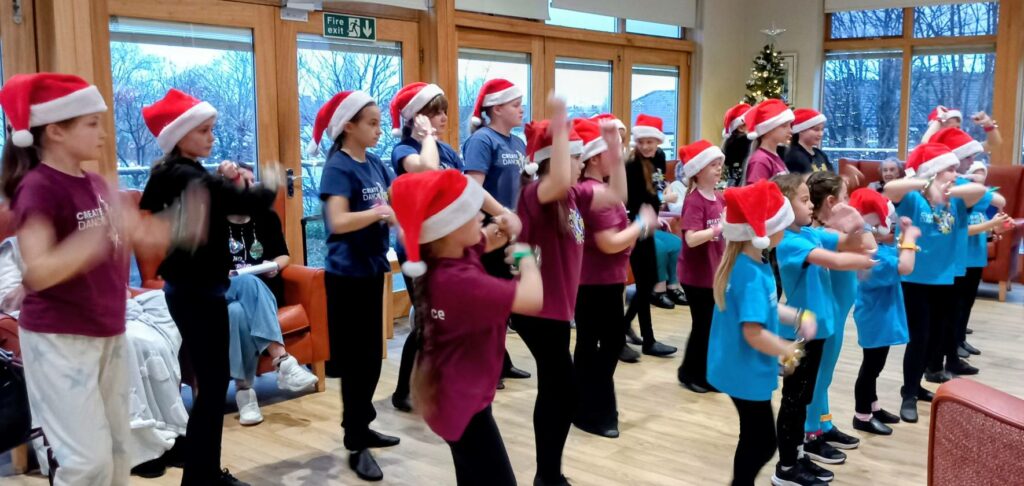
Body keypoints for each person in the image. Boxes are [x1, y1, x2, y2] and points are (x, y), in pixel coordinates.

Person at [0, 72, 158, 486]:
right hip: (59, 340)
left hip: (107, 331)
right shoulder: (37, 188)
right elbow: (39, 269)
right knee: (87, 464)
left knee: (121, 453)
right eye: (91, 123)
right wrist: (91, 241)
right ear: (55, 131)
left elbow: (128, 237)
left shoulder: (94, 184)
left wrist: (181, 225)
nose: (103, 134)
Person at [140, 87, 281, 486]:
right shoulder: (185, 175)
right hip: (198, 292)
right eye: (203, 130)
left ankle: (203, 474)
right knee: (213, 383)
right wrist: (267, 183)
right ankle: (202, 478)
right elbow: (245, 203)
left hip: (191, 289)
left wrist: (217, 178)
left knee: (212, 383)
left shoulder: (174, 173)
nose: (211, 137)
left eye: (211, 130)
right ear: (180, 136)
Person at [390, 169, 539, 486]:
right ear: (451, 227)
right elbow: (532, 298)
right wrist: (526, 254)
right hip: (463, 406)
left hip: (451, 398)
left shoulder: (443, 257)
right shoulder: (461, 282)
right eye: (473, 216)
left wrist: (502, 218)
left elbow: (489, 236)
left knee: (473, 477)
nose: (481, 220)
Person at [512, 97, 627, 485]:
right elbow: (559, 177)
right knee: (560, 390)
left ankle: (549, 473)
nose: (581, 163)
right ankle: (547, 476)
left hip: (557, 309)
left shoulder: (574, 196)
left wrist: (612, 145)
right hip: (536, 310)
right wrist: (561, 124)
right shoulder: (538, 194)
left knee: (560, 390)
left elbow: (617, 196)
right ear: (556, 158)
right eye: (576, 156)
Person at [309, 90, 400, 481]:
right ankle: (354, 441)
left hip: (372, 269)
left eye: (380, 122)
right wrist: (379, 212)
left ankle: (362, 425)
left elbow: (396, 196)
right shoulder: (338, 167)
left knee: (371, 358)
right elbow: (338, 222)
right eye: (372, 123)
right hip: (346, 276)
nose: (380, 130)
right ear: (349, 126)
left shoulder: (376, 163)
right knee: (356, 361)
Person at [707, 179, 815, 486]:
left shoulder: (751, 263)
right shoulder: (751, 274)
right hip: (743, 370)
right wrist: (788, 349)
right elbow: (753, 333)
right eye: (782, 222)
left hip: (739, 367)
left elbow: (765, 309)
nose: (788, 227)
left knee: (754, 436)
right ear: (763, 232)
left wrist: (796, 316)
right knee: (764, 441)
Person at [772, 173, 875, 485]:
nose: (810, 206)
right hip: (796, 338)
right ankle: (786, 469)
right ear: (784, 210)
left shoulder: (808, 234)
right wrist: (866, 260)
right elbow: (838, 259)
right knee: (793, 400)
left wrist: (859, 224)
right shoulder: (790, 243)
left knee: (802, 399)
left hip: (814, 333)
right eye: (803, 201)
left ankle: (800, 454)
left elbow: (848, 242)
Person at [882, 143, 987, 424]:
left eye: (955, 168)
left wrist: (947, 187)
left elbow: (980, 190)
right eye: (950, 169)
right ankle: (908, 393)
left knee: (939, 335)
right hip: (916, 278)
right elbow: (890, 190)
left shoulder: (955, 200)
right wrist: (929, 181)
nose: (956, 173)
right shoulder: (914, 199)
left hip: (947, 277)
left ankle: (917, 385)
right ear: (933, 171)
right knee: (920, 337)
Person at [216, 162, 319, 426]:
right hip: (222, 290)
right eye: (245, 183)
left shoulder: (266, 217)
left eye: (253, 182)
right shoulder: (211, 223)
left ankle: (244, 393)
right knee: (246, 284)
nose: (252, 189)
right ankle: (282, 361)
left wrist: (276, 266)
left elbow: (284, 254)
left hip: (260, 296)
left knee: (237, 313)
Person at [572, 117, 651, 439]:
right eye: (611, 150)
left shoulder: (601, 189)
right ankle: (594, 409)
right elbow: (608, 242)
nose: (618, 155)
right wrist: (642, 224)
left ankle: (586, 405)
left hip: (601, 279)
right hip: (595, 281)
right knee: (606, 343)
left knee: (593, 344)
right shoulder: (592, 193)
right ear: (594, 158)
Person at [461, 78, 531, 387]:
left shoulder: (517, 143)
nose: (521, 110)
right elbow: (472, 190)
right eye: (516, 105)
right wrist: (495, 220)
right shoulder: (482, 140)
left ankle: (500, 361)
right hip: (491, 232)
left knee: (505, 301)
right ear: (497, 108)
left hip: (513, 232)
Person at [802, 171, 873, 455]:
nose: (850, 204)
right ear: (832, 202)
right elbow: (871, 250)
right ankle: (810, 433)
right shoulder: (824, 234)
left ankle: (824, 422)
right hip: (825, 317)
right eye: (845, 198)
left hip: (837, 314)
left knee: (826, 374)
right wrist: (858, 224)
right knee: (820, 375)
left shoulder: (833, 232)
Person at [848, 188, 919, 436]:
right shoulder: (871, 255)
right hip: (874, 318)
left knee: (875, 366)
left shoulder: (876, 247)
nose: (890, 226)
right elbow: (906, 266)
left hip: (880, 316)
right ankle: (862, 415)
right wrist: (910, 236)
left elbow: (893, 248)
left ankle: (873, 406)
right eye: (886, 221)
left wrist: (901, 231)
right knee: (871, 367)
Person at [622, 114, 677, 358]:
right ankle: (636, 333)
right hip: (637, 226)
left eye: (650, 142)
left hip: (651, 225)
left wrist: (662, 200)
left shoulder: (660, 157)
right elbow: (633, 199)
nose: (645, 146)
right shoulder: (631, 164)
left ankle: (644, 337)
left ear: (658, 142)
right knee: (646, 283)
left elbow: (657, 187)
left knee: (647, 283)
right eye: (641, 141)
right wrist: (662, 201)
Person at [675, 140, 726, 394]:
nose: (718, 169)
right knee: (703, 326)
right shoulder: (695, 201)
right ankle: (690, 373)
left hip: (713, 273)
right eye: (713, 165)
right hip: (696, 276)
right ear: (698, 171)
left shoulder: (719, 198)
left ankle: (702, 372)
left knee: (710, 326)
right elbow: (691, 238)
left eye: (719, 165)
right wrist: (716, 230)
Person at [742, 99, 793, 185]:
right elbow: (757, 194)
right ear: (768, 130)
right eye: (784, 126)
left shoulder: (774, 156)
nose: (790, 131)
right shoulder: (760, 160)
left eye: (790, 126)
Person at [920, 105, 1002, 151]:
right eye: (949, 127)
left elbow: (994, 144)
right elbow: (925, 145)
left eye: (958, 127)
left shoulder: (962, 148)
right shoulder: (929, 150)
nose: (955, 131)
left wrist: (989, 125)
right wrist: (939, 119)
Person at [784, 109, 834, 174]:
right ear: (801, 130)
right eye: (816, 130)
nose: (820, 134)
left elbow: (832, 176)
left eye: (822, 129)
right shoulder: (794, 156)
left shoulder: (820, 154)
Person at [721, 103, 752, 187]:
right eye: (750, 123)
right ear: (741, 128)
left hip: (732, 183)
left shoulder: (729, 142)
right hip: (742, 184)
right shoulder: (746, 141)